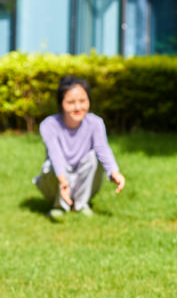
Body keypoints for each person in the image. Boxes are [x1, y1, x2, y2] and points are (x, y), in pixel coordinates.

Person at [33, 75, 126, 219]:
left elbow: (103, 149)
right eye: (71, 102)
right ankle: (60, 206)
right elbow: (55, 154)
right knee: (52, 164)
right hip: (57, 179)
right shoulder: (49, 125)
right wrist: (63, 181)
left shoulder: (96, 123)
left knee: (93, 156)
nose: (78, 107)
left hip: (84, 181)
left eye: (82, 101)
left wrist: (114, 172)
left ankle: (81, 205)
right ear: (61, 104)